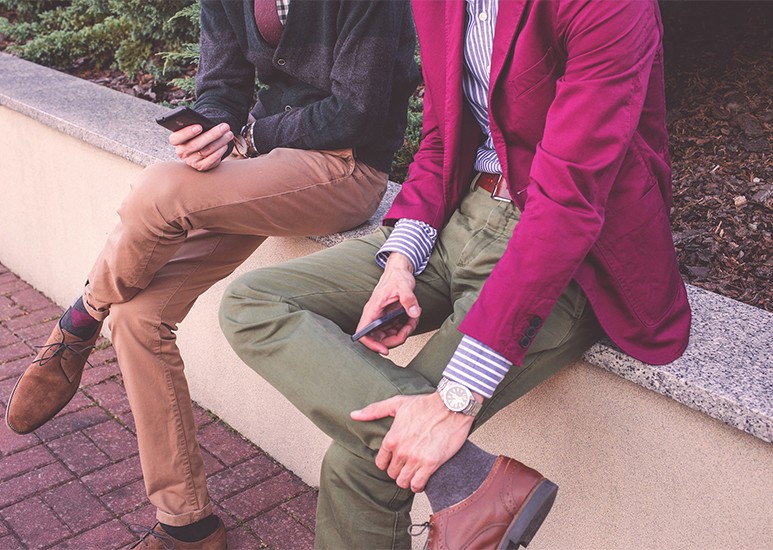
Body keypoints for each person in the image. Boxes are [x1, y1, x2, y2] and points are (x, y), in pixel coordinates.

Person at [219, 0, 692, 548]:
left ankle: (466, 480)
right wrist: (400, 262)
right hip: (462, 216)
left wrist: (455, 401)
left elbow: (569, 203)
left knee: (362, 469)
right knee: (253, 301)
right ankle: (469, 479)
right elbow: (443, 138)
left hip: (564, 254)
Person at [5, 1, 418, 548]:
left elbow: (355, 111)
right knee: (139, 316)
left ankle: (80, 317)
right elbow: (222, 87)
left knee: (158, 190)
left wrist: (247, 135)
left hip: (343, 167)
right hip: (262, 165)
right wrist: (210, 130)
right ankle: (187, 523)